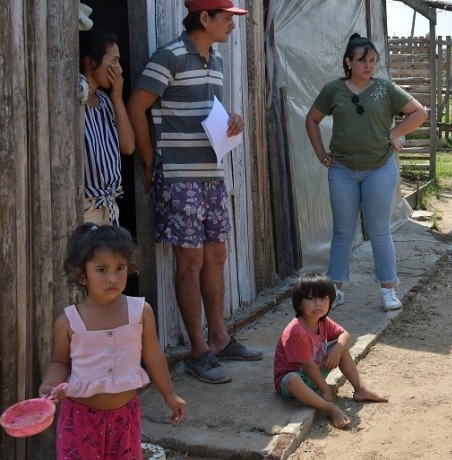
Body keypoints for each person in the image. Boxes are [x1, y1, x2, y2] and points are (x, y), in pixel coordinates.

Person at [126, 0, 261, 385]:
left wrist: (232, 118)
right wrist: (151, 162)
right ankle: (197, 351)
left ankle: (219, 338)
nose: (232, 27)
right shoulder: (169, 56)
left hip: (211, 174)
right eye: (227, 19)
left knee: (216, 256)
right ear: (205, 18)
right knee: (191, 263)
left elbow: (206, 111)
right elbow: (137, 106)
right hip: (180, 177)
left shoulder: (214, 61)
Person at [39, 224, 186, 459]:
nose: (112, 278)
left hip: (125, 418)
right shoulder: (68, 321)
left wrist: (169, 395)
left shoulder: (141, 312)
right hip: (79, 419)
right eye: (101, 270)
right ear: (81, 275)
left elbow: (154, 355)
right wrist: (49, 384)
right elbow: (60, 362)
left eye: (120, 268)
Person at [305, 33, 428, 311]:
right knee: (342, 231)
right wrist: (320, 153)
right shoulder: (333, 89)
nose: (368, 65)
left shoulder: (385, 89)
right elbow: (312, 120)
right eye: (362, 60)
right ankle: (334, 289)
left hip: (379, 170)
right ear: (348, 62)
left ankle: (388, 289)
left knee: (379, 230)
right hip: (342, 170)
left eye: (373, 60)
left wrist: (395, 132)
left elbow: (419, 113)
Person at [274, 272, 388, 429]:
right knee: (293, 379)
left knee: (341, 348)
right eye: (311, 298)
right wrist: (325, 390)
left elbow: (345, 335)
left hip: (313, 372)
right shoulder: (296, 330)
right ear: (299, 303)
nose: (318, 303)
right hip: (293, 381)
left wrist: (337, 350)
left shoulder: (322, 321)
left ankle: (361, 389)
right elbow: (308, 366)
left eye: (324, 298)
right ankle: (329, 409)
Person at [79, 28, 135, 225]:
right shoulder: (73, 104)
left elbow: (128, 147)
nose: (119, 69)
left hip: (109, 208)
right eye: (113, 61)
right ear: (90, 62)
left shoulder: (105, 102)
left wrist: (117, 99)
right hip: (84, 210)